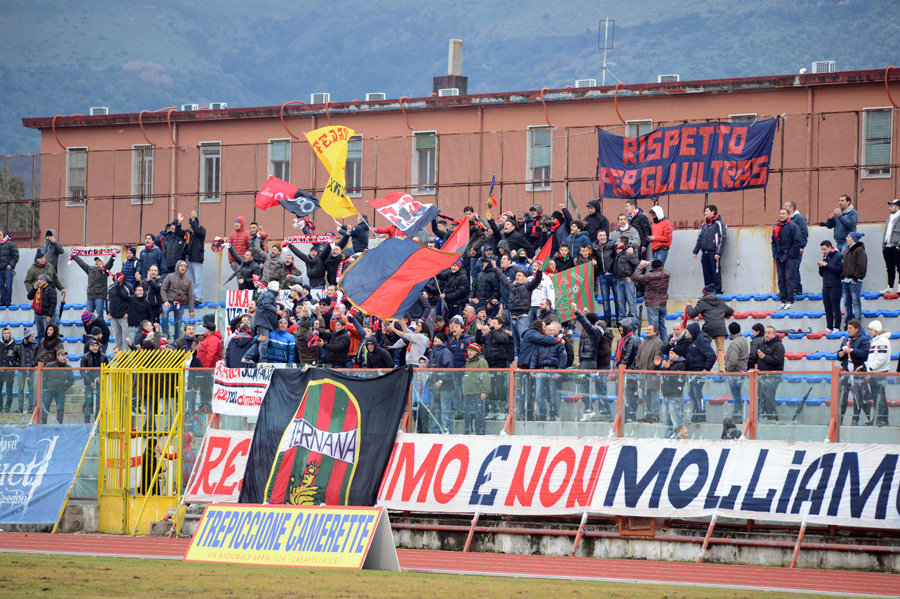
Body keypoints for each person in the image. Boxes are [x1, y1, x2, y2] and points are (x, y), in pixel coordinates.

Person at [493, 263, 543, 356]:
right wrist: (495, 267)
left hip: (522, 318)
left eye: (519, 275)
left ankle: (525, 366)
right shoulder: (512, 286)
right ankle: (520, 365)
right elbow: (503, 278)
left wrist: (539, 271)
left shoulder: (528, 286)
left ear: (524, 277)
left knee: (524, 343)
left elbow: (537, 280)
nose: (517, 277)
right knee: (517, 346)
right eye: (516, 275)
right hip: (512, 318)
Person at [574, 310, 613, 421]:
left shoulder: (594, 331)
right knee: (587, 387)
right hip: (587, 360)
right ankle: (596, 411)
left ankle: (590, 411)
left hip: (591, 361)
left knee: (586, 387)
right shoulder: (591, 331)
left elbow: (604, 351)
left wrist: (577, 311)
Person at [686, 285, 735, 372]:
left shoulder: (702, 302)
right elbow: (731, 311)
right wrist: (723, 316)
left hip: (709, 328)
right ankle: (721, 369)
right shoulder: (720, 301)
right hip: (720, 327)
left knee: (704, 347)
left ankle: (704, 367)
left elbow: (692, 314)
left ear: (704, 293)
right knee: (720, 349)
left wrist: (689, 306)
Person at [837, 319, 871, 425]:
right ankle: (840, 419)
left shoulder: (863, 340)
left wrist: (852, 350)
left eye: (851, 328)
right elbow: (839, 357)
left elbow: (865, 354)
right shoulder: (845, 340)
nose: (848, 330)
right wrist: (842, 353)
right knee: (843, 397)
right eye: (847, 328)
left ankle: (855, 419)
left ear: (857, 329)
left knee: (858, 397)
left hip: (858, 372)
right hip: (846, 372)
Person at [531, 322, 567, 421]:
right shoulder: (539, 344)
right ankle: (542, 415)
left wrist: (558, 372)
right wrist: (532, 370)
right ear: (545, 332)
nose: (551, 332)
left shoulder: (559, 344)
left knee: (553, 394)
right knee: (539, 394)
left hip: (553, 371)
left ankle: (553, 414)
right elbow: (534, 358)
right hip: (541, 371)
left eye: (553, 330)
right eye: (549, 330)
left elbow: (563, 359)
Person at [684, 322, 716, 423]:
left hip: (699, 372)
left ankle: (701, 415)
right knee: (691, 393)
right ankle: (696, 414)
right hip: (691, 372)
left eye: (688, 331)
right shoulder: (692, 340)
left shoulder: (702, 340)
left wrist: (706, 369)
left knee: (697, 393)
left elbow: (711, 355)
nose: (686, 333)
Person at [633, 259, 670, 346]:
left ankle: (656, 346)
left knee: (654, 327)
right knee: (662, 326)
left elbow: (637, 276)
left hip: (653, 304)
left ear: (652, 266)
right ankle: (665, 346)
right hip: (663, 303)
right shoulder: (667, 274)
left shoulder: (650, 276)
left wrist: (641, 265)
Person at [753, 326, 786, 421]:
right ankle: (765, 416)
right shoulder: (762, 344)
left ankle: (772, 417)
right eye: (765, 332)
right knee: (761, 396)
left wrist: (764, 357)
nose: (766, 335)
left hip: (773, 375)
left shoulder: (778, 346)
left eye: (769, 332)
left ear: (774, 334)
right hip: (761, 375)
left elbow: (777, 361)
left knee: (768, 395)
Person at [771, 207, 802, 310]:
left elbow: (797, 242)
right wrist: (775, 254)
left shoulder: (793, 226)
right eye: (780, 213)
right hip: (779, 257)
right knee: (781, 279)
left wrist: (789, 254)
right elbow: (773, 242)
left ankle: (790, 300)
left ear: (788, 215)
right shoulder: (776, 227)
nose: (781, 215)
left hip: (789, 257)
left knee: (789, 278)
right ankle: (783, 300)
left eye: (783, 213)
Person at [692, 204, 726, 294]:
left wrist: (718, 253)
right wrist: (695, 251)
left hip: (714, 253)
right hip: (705, 253)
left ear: (712, 212)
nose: (705, 213)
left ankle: (718, 292)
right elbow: (700, 238)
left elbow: (722, 238)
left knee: (715, 274)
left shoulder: (719, 223)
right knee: (706, 273)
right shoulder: (704, 225)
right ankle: (708, 292)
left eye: (706, 211)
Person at [863, 320, 891, 426]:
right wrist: (865, 366)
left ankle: (883, 419)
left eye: (870, 330)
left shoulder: (883, 340)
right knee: (876, 396)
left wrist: (870, 367)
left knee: (880, 395)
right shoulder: (875, 341)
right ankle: (876, 418)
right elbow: (874, 357)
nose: (869, 332)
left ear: (876, 330)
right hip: (874, 372)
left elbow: (882, 358)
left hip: (879, 372)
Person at [654, 349, 686, 439]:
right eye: (669, 353)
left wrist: (668, 368)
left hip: (675, 396)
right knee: (666, 422)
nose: (670, 354)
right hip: (666, 395)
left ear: (678, 355)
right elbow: (661, 375)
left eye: (672, 353)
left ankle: (678, 439)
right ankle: (667, 439)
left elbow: (677, 380)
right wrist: (657, 366)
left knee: (676, 420)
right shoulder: (668, 363)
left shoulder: (681, 365)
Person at [634, 324, 664, 422]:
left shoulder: (659, 343)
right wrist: (640, 367)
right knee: (645, 395)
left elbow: (658, 358)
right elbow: (637, 357)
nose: (647, 331)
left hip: (653, 375)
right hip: (643, 374)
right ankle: (646, 415)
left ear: (655, 332)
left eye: (650, 329)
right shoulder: (643, 343)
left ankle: (654, 416)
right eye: (647, 329)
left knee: (653, 395)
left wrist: (648, 369)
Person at [160, 260, 196, 341]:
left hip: (181, 304)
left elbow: (190, 297)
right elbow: (163, 289)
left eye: (185, 266)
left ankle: (176, 340)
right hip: (170, 302)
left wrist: (191, 310)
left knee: (178, 322)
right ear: (177, 267)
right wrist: (165, 301)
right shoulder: (169, 276)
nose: (183, 267)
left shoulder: (188, 280)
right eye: (181, 265)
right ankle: (165, 334)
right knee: (165, 311)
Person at [461, 343, 490, 433]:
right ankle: (468, 433)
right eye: (468, 350)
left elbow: (485, 377)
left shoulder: (481, 361)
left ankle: (479, 434)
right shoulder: (468, 362)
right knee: (467, 416)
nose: (469, 352)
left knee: (479, 417)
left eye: (471, 350)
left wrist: (485, 391)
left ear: (476, 351)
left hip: (477, 392)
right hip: (468, 392)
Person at [615, 317, 640, 421]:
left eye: (621, 326)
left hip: (630, 371)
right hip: (621, 370)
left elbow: (629, 355)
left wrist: (622, 366)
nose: (620, 328)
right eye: (619, 326)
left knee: (630, 394)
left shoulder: (632, 339)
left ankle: (631, 415)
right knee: (623, 394)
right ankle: (624, 414)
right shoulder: (620, 340)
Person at [817, 240, 844, 332]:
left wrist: (827, 265)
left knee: (835, 308)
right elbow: (822, 274)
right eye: (822, 249)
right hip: (825, 286)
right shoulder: (825, 257)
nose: (823, 251)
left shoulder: (839, 256)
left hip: (835, 286)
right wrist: (821, 268)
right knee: (827, 308)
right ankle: (829, 326)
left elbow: (840, 270)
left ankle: (837, 327)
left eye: (824, 249)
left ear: (830, 247)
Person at [724, 322, 749, 423]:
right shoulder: (743, 340)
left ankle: (736, 416)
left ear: (730, 331)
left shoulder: (735, 343)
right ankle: (737, 415)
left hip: (736, 371)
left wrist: (727, 369)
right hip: (741, 369)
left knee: (736, 395)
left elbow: (733, 360)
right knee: (737, 394)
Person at [179, 210, 206, 303]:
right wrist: (179, 223)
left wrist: (193, 219)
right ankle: (191, 297)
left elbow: (198, 231)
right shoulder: (187, 232)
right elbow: (178, 233)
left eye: (192, 223)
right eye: (190, 223)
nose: (190, 226)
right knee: (189, 280)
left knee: (198, 279)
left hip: (196, 258)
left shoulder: (201, 230)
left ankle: (198, 297)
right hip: (187, 258)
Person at [41, 348, 74, 424]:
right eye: (62, 355)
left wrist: (64, 388)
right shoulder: (50, 365)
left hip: (60, 391)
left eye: (65, 355)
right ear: (57, 356)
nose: (64, 357)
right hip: (48, 391)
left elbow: (71, 380)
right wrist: (45, 387)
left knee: (60, 409)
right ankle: (43, 425)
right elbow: (43, 376)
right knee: (45, 408)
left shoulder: (68, 367)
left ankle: (59, 426)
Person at [592, 229, 617, 326]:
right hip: (602, 275)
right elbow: (588, 255)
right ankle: (608, 321)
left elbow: (623, 246)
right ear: (597, 237)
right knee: (605, 300)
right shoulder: (594, 246)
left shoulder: (612, 244)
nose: (603, 237)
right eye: (601, 235)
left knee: (617, 298)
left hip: (613, 274)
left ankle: (619, 320)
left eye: (604, 235)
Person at [842, 231, 867, 325]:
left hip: (854, 281)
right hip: (846, 280)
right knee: (847, 304)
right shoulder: (847, 251)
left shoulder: (859, 250)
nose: (846, 238)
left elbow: (861, 265)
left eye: (848, 236)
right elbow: (844, 265)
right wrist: (843, 276)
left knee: (856, 303)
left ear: (853, 238)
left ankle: (857, 324)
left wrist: (855, 278)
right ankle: (848, 324)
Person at [79, 338, 107, 422]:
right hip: (88, 384)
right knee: (88, 401)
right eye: (93, 346)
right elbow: (82, 371)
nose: (95, 348)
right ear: (89, 347)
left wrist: (100, 377)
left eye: (96, 346)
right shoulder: (85, 357)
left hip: (100, 383)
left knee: (99, 402)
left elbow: (107, 370)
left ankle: (97, 422)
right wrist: (90, 382)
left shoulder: (104, 357)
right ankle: (87, 421)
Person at [612, 236, 639, 322]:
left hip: (628, 281)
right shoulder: (618, 252)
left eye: (618, 241)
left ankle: (634, 320)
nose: (617, 242)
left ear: (622, 243)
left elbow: (638, 266)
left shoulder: (629, 252)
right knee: (620, 302)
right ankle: (622, 322)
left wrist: (632, 278)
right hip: (619, 280)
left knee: (631, 301)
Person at [784, 201, 808, 296]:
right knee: (787, 269)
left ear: (792, 208)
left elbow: (804, 233)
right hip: (787, 249)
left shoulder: (799, 218)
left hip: (796, 248)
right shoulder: (786, 219)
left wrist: (802, 246)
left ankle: (797, 288)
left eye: (786, 206)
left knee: (794, 268)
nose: (784, 208)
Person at [28, 274, 58, 343]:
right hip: (37, 315)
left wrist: (50, 315)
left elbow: (53, 303)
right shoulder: (37, 289)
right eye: (38, 279)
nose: (39, 281)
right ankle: (39, 349)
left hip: (45, 315)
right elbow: (29, 297)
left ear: (45, 281)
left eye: (41, 280)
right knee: (39, 334)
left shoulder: (51, 290)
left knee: (47, 334)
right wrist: (34, 289)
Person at [15, 328, 38, 414]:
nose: (33, 338)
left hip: (31, 371)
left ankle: (31, 408)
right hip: (21, 371)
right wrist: (19, 365)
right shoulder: (18, 346)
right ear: (27, 337)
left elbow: (38, 357)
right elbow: (13, 359)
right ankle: (20, 408)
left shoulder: (35, 346)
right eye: (32, 336)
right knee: (20, 389)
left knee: (31, 389)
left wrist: (33, 364)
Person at [107, 272, 131, 351]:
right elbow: (107, 300)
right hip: (114, 317)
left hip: (124, 317)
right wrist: (108, 312)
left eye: (119, 278)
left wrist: (128, 313)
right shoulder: (110, 288)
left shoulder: (128, 287)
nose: (118, 279)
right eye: (116, 278)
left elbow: (132, 301)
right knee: (117, 336)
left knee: (125, 336)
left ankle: (125, 353)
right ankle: (118, 354)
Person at [882, 199, 900, 294]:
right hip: (888, 246)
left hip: (896, 246)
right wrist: (883, 246)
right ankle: (890, 286)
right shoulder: (890, 218)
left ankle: (899, 286)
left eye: (892, 206)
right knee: (889, 267)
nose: (890, 208)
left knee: (899, 266)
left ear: (897, 207)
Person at [0, 327, 18, 413]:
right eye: (5, 333)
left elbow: (17, 357)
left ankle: (7, 407)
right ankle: (0, 407)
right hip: (0, 371)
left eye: (8, 333)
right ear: (2, 335)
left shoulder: (14, 344)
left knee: (9, 390)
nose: (6, 335)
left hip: (10, 372)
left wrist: (13, 365)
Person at [0, 229, 19, 307]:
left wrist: (11, 265)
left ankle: (7, 301)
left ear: (4, 236)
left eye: (0, 235)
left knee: (8, 285)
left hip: (8, 269)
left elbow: (16, 256)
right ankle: (2, 300)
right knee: (0, 285)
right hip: (0, 269)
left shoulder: (10, 244)